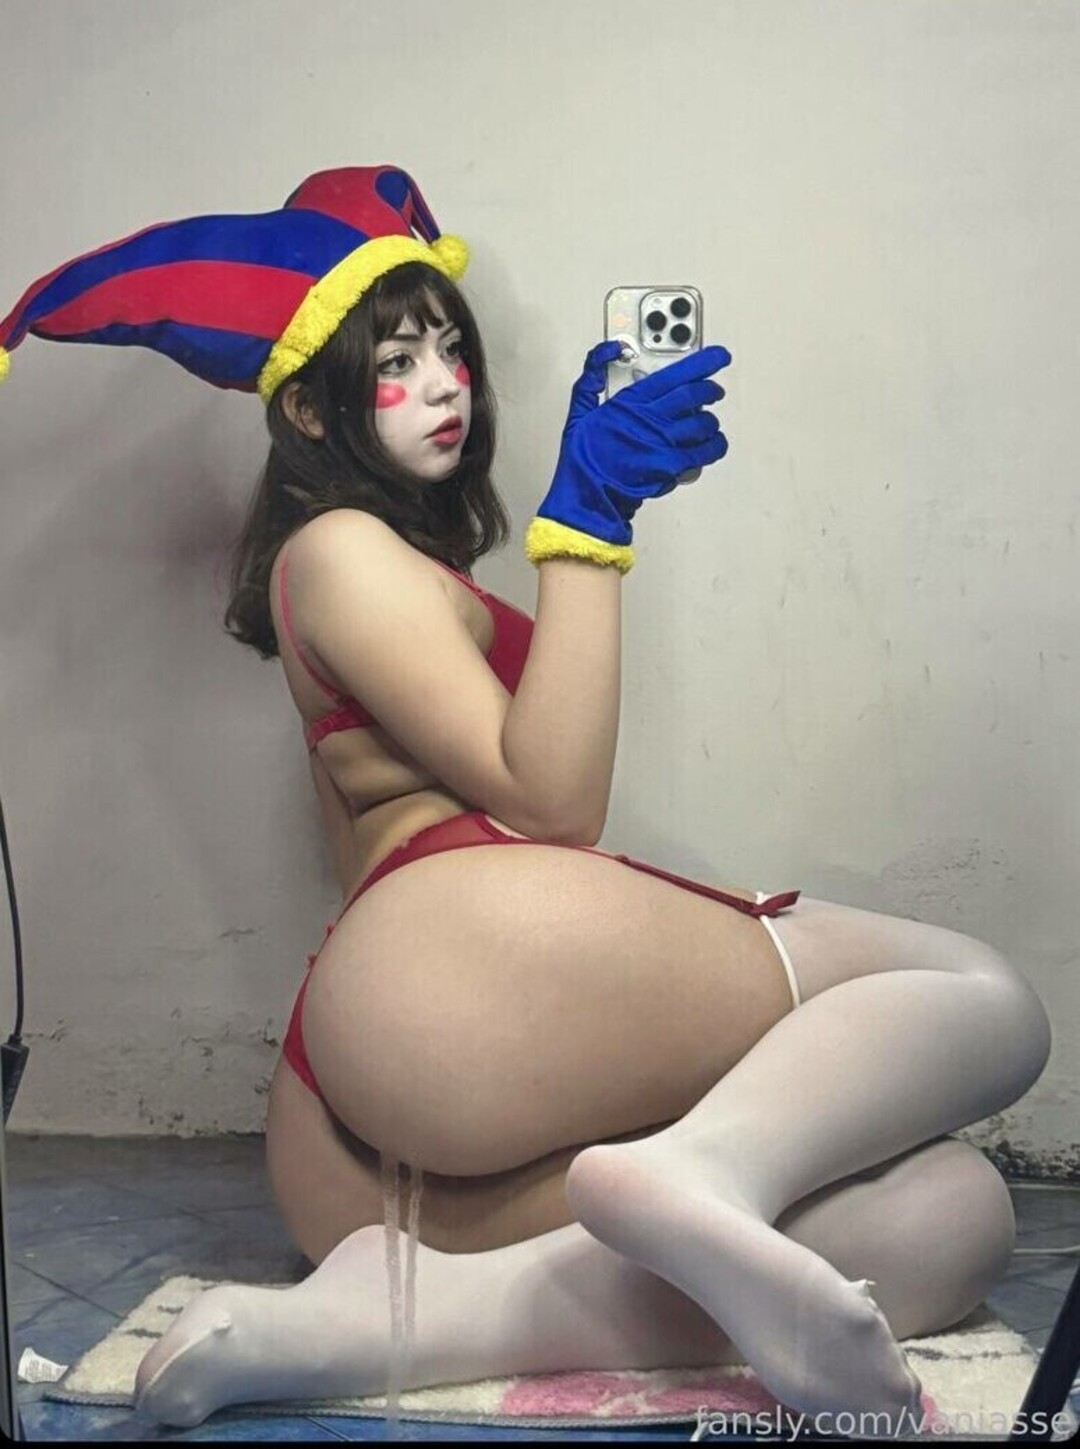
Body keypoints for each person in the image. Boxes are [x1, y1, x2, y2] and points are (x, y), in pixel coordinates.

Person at [0, 166, 1052, 1433]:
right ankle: (703, 1166)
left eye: (451, 347)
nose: (447, 381)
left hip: (377, 1143)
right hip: (448, 968)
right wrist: (586, 528)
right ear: (311, 411)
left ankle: (385, 1319)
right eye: (397, 361)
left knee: (949, 1218)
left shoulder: (399, 568)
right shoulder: (337, 549)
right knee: (984, 999)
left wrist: (582, 525)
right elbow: (553, 804)